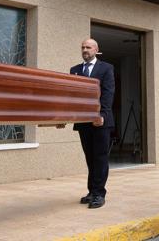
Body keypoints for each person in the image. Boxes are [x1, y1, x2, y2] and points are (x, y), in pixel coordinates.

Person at [70, 38, 115, 209]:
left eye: (88, 47)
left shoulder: (106, 68)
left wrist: (102, 114)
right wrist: (67, 117)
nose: (85, 50)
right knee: (90, 158)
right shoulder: (74, 70)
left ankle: (99, 194)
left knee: (100, 158)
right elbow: (72, 96)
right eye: (82, 47)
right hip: (83, 123)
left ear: (96, 49)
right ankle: (92, 191)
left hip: (100, 121)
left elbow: (108, 93)